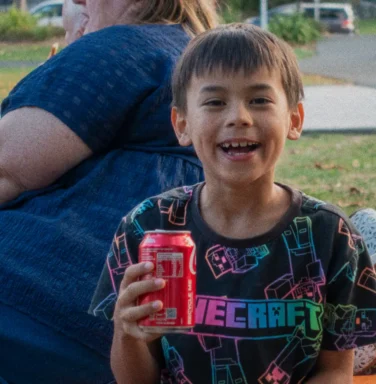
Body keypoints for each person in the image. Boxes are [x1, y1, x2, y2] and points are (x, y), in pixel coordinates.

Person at [89, 23, 376, 383]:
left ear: (294, 120)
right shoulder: (147, 227)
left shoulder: (330, 234)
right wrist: (127, 332)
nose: (239, 117)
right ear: (182, 124)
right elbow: (135, 379)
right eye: (215, 102)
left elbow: (335, 371)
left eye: (259, 100)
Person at [0, 1, 217, 383]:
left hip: (40, 308)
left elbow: (6, 168)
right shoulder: (201, 60)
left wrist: (68, 63)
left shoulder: (122, 47)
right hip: (149, 345)